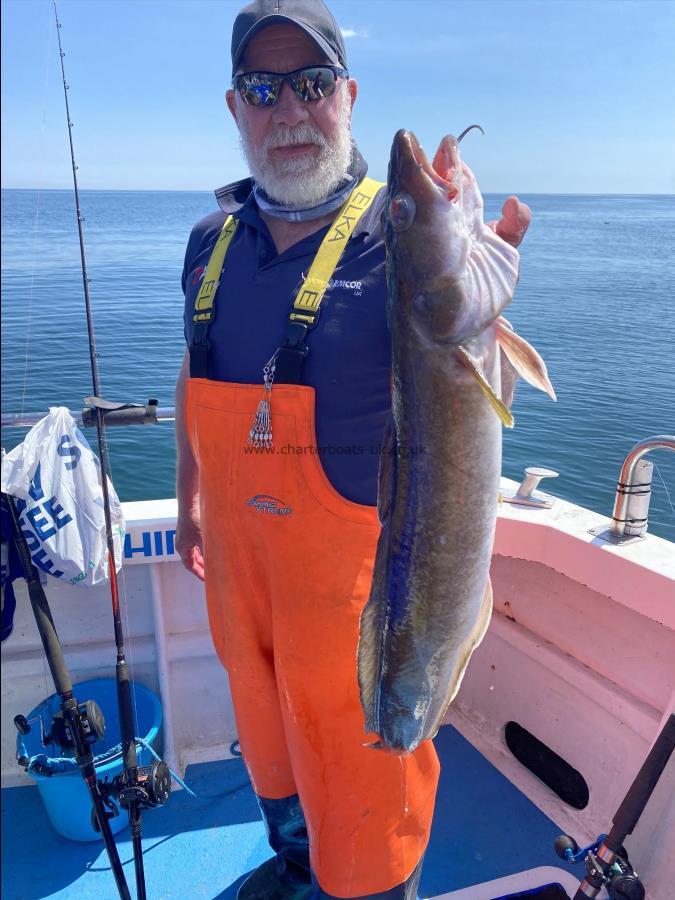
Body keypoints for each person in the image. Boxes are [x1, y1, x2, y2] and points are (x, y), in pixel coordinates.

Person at [175, 2, 530, 898]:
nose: (287, 110)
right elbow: (195, 365)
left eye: (312, 83)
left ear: (348, 95)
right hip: (240, 574)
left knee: (368, 780)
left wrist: (483, 291)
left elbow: (462, 386)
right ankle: (293, 864)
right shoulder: (208, 243)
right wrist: (187, 495)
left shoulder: (394, 240)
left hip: (355, 590)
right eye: (262, 88)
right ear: (233, 107)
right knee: (270, 746)